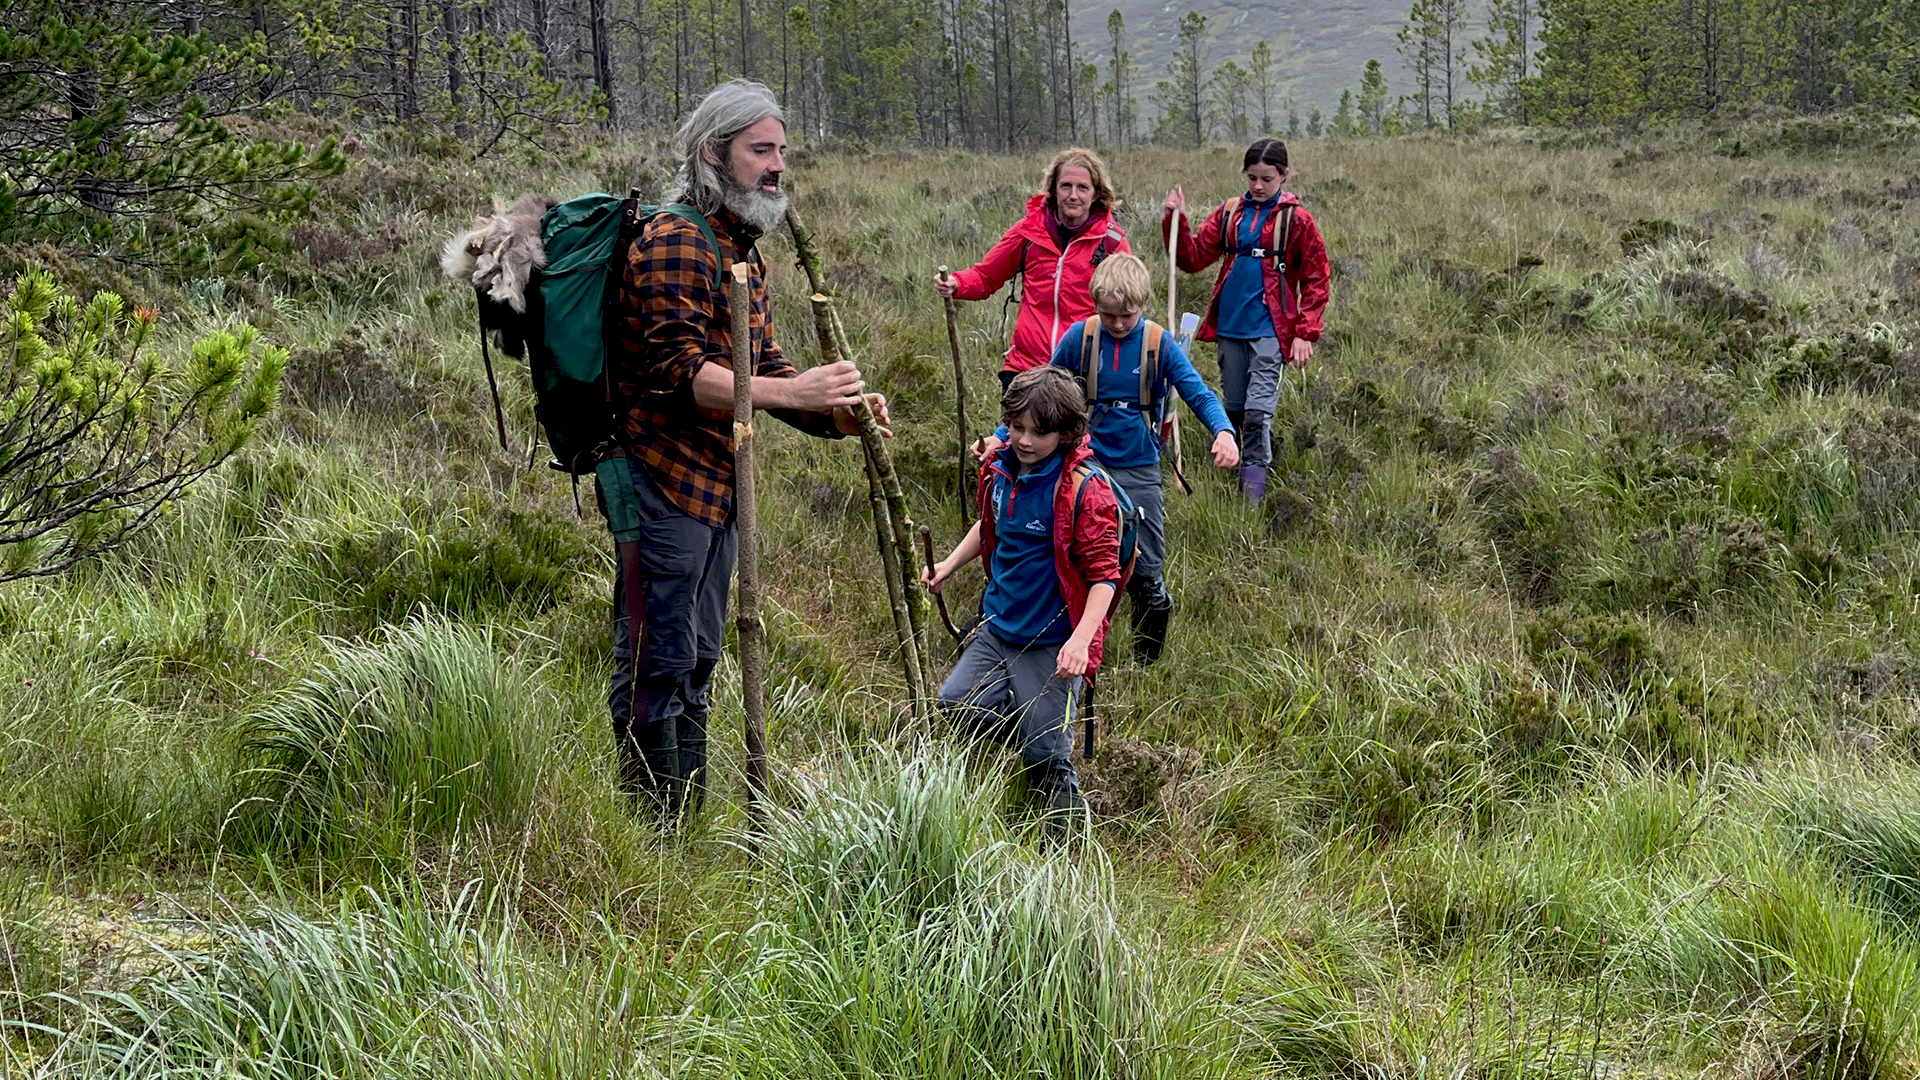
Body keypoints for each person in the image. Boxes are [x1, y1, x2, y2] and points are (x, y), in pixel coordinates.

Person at [599, 79, 888, 819]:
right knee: (654, 662)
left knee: (696, 656)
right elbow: (679, 375)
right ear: (712, 153)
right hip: (661, 484)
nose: (777, 165)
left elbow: (766, 366)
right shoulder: (674, 240)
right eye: (761, 149)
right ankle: (649, 834)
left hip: (718, 492)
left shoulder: (741, 250)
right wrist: (797, 395)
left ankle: (682, 824)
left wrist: (836, 417)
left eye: (782, 151)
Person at [970, 254, 1238, 665]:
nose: (1115, 324)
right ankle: (1050, 638)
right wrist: (1000, 436)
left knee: (1146, 569)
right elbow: (1042, 397)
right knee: (1058, 551)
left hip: (1138, 468)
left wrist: (1223, 432)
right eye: (1107, 313)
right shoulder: (1081, 337)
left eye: (1126, 316)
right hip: (1080, 464)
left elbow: (1198, 392)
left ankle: (1144, 662)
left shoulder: (1158, 343)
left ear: (1143, 305)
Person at [921, 367, 1123, 840]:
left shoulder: (1083, 492)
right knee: (955, 703)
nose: (1025, 440)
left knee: (1051, 756)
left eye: (1039, 431)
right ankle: (1034, 735)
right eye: (1016, 427)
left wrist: (1080, 641)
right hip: (998, 626)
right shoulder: (1000, 470)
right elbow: (990, 527)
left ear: (1067, 432)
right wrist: (948, 566)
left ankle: (1064, 856)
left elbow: (1104, 579)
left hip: (1051, 642)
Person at [1162, 137, 1330, 501]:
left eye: (1266, 178)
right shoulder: (1230, 213)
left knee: (1257, 415)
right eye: (1252, 177)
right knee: (1235, 412)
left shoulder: (1297, 220)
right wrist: (1174, 220)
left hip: (1272, 330)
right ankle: (1243, 470)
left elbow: (1317, 277)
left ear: (1284, 175)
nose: (1257, 185)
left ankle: (1252, 498)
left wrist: (1305, 333)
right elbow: (1191, 258)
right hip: (1230, 329)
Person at [934, 148, 1132, 393]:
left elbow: (1129, 307)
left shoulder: (1112, 242)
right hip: (1026, 369)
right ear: (1053, 189)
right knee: (1016, 433)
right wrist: (956, 283)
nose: (1073, 195)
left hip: (1085, 373)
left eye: (1082, 187)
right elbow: (986, 276)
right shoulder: (1029, 232)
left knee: (1074, 434)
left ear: (1096, 194)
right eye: (1065, 186)